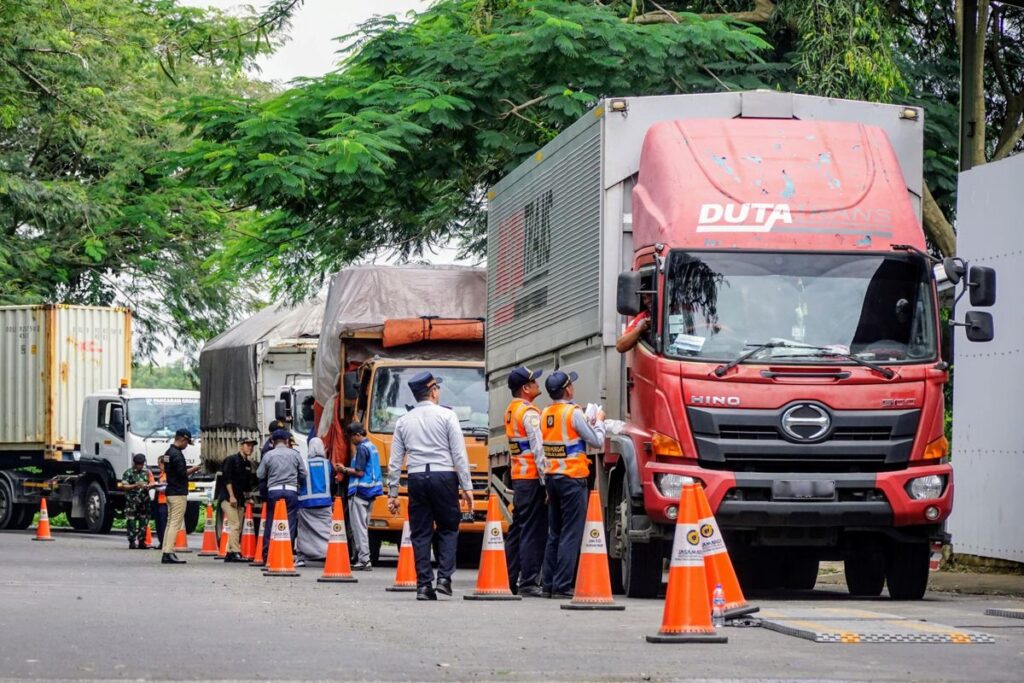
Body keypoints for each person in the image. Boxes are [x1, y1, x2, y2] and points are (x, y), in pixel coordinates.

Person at [387, 371, 473, 601]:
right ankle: (444, 578)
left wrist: (392, 493)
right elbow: (459, 454)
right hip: (444, 475)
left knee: (421, 532)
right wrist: (467, 487)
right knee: (448, 527)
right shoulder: (447, 416)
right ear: (433, 391)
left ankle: (424, 585)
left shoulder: (404, 421)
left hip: (416, 477)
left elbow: (395, 460)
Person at [540, 370, 606, 598]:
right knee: (571, 533)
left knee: (554, 533)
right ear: (567, 389)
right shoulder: (573, 413)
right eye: (571, 385)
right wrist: (599, 422)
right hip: (572, 479)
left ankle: (548, 584)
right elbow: (596, 441)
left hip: (552, 478)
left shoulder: (545, 413)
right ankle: (561, 585)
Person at [502, 366, 548, 597]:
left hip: (519, 477)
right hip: (531, 479)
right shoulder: (529, 413)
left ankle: (508, 579)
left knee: (518, 529)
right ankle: (529, 581)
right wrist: (545, 480)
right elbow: (538, 449)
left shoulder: (512, 410)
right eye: (534, 382)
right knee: (531, 531)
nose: (538, 384)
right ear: (525, 388)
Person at [256, 428, 306, 562]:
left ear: (272, 441)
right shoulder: (295, 454)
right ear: (286, 441)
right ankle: (286, 554)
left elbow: (260, 474)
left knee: (271, 522)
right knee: (290, 523)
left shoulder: (268, 455)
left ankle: (267, 555)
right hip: (291, 491)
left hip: (274, 491)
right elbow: (304, 473)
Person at [341, 422, 383, 570]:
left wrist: (344, 469)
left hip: (359, 492)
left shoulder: (361, 448)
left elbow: (359, 472)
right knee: (363, 527)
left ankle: (364, 560)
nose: (351, 441)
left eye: (351, 437)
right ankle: (364, 559)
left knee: (358, 528)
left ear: (358, 435)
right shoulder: (373, 447)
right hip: (371, 492)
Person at [162, 429, 202, 565]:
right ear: (182, 439)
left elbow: (168, 470)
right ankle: (168, 552)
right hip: (178, 493)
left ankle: (166, 550)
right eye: (186, 443)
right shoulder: (177, 455)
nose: (186, 446)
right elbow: (182, 474)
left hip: (170, 491)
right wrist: (195, 468)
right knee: (175, 524)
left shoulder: (168, 453)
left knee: (170, 523)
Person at [216, 437, 257, 563]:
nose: (250, 448)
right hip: (228, 498)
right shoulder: (231, 460)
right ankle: (235, 551)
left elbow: (246, 485)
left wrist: (248, 498)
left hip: (239, 499)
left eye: (252, 446)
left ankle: (229, 552)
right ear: (241, 446)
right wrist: (231, 496)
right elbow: (227, 479)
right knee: (235, 525)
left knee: (238, 526)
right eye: (247, 445)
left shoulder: (247, 464)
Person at [295, 437, 334, 565]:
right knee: (326, 531)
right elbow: (332, 483)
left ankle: (302, 557)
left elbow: (299, 480)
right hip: (324, 503)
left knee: (304, 532)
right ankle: (328, 554)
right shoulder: (328, 464)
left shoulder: (304, 463)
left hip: (306, 503)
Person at [120, 453, 153, 550]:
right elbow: (124, 486)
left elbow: (152, 482)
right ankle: (132, 541)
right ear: (135, 464)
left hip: (144, 501)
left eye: (142, 464)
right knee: (131, 521)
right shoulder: (128, 473)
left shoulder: (147, 472)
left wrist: (149, 486)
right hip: (132, 501)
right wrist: (134, 485)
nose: (140, 466)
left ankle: (142, 541)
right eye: (139, 464)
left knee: (144, 521)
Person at [151, 456, 168, 549]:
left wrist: (155, 486)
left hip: (164, 502)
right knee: (159, 523)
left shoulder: (168, 475)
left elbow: (166, 487)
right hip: (158, 501)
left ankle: (165, 543)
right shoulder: (162, 474)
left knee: (163, 523)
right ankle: (161, 542)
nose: (158, 466)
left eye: (159, 464)